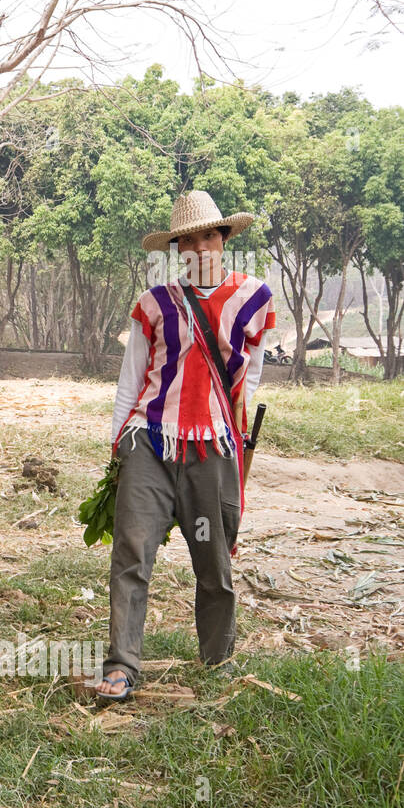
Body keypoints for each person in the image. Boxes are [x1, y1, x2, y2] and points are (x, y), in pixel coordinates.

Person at [96, 191, 276, 706]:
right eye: (187, 240)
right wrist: (120, 446)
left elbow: (251, 378)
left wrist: (231, 438)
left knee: (214, 562)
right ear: (177, 249)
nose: (199, 246)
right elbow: (131, 382)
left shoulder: (253, 299)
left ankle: (218, 658)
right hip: (150, 441)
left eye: (208, 236)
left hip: (212, 448)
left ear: (224, 240)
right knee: (131, 552)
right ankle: (122, 666)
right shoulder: (155, 304)